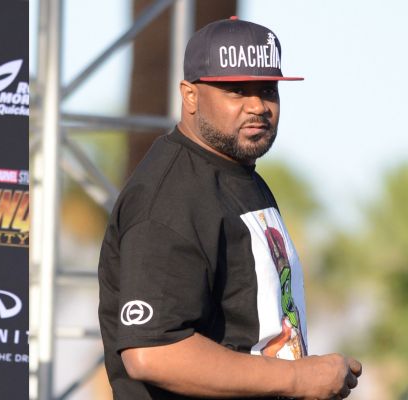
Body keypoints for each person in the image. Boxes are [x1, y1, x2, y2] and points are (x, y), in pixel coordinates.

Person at [98, 17, 362, 399]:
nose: (258, 106)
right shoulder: (169, 197)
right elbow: (152, 351)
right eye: (237, 90)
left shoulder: (236, 173)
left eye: (267, 90)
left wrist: (307, 373)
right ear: (190, 95)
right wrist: (298, 378)